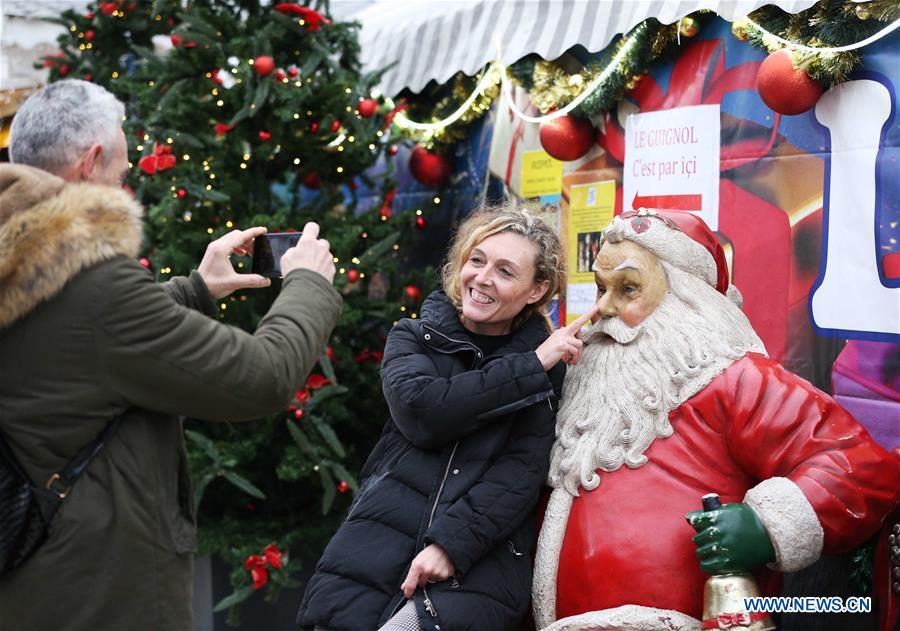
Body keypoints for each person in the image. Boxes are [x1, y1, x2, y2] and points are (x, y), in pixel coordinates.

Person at [0, 79, 342, 631]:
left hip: (32, 581)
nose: (127, 185)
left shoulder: (22, 260)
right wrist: (308, 285)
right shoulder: (94, 286)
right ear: (91, 162)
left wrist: (196, 289)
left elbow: (72, 338)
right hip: (101, 593)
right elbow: (262, 377)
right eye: (124, 170)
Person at [532, 208, 900, 630]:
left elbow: (858, 466)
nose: (604, 308)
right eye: (601, 287)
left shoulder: (738, 381)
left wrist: (765, 525)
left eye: (628, 288)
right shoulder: (583, 378)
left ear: (686, 300)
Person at [298, 204, 596, 631]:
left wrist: (450, 546)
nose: (482, 278)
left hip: (479, 559)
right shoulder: (413, 337)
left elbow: (519, 474)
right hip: (376, 541)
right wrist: (529, 367)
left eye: (505, 271)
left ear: (536, 290)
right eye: (477, 260)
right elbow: (426, 412)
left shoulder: (551, 370)